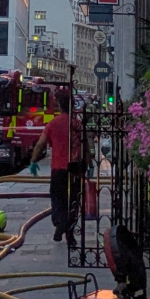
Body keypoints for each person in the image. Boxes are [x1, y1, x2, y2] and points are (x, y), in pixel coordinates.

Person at [47, 100, 83, 244]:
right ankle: (70, 235)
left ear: (60, 106)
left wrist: (33, 161)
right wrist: (87, 162)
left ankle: (60, 223)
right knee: (74, 200)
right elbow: (85, 143)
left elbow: (42, 142)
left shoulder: (54, 123)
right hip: (75, 166)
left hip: (58, 168)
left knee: (57, 198)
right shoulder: (77, 124)